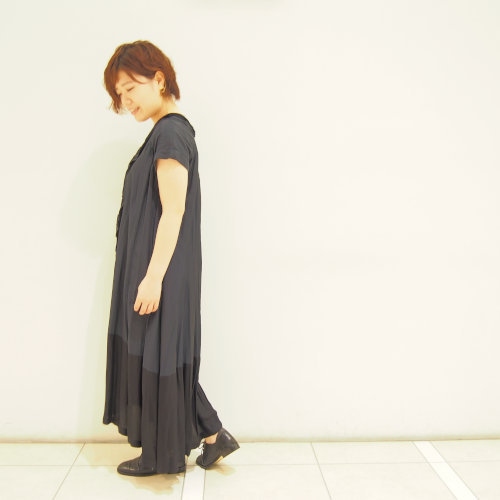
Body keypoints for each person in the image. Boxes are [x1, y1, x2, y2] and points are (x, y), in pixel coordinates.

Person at [101, 40, 239, 476]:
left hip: (162, 270)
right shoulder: (164, 132)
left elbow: (173, 210)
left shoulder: (171, 133)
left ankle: (161, 456)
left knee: (155, 355)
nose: (125, 101)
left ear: (159, 79)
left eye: (130, 88)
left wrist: (152, 277)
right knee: (159, 352)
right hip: (160, 268)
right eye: (119, 94)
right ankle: (214, 437)